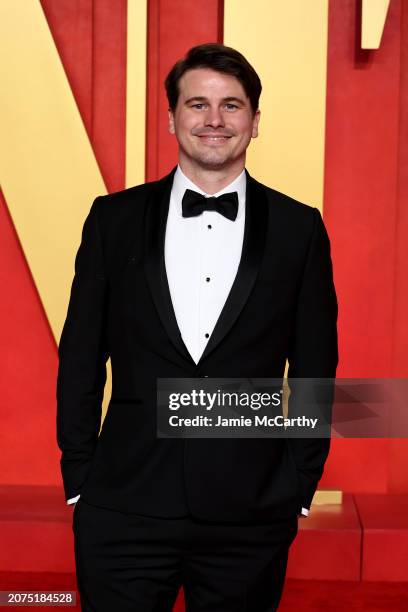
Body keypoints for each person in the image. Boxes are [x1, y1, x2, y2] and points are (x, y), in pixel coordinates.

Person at [57, 43, 338, 612]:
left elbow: (315, 365)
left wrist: (299, 480)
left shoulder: (298, 228)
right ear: (171, 117)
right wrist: (80, 475)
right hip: (123, 506)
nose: (214, 120)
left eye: (232, 106)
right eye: (198, 104)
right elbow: (81, 357)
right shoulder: (111, 220)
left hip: (251, 515)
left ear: (255, 123)